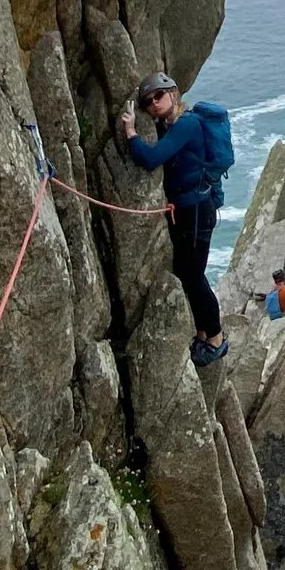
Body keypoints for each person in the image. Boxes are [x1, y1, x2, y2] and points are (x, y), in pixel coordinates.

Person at [117, 70, 233, 366]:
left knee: (193, 276)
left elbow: (152, 158)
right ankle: (203, 332)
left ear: (174, 93)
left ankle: (216, 339)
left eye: (158, 96)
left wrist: (131, 132)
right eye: (147, 101)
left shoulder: (187, 125)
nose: (153, 103)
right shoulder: (168, 125)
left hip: (196, 211)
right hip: (184, 210)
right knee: (186, 272)